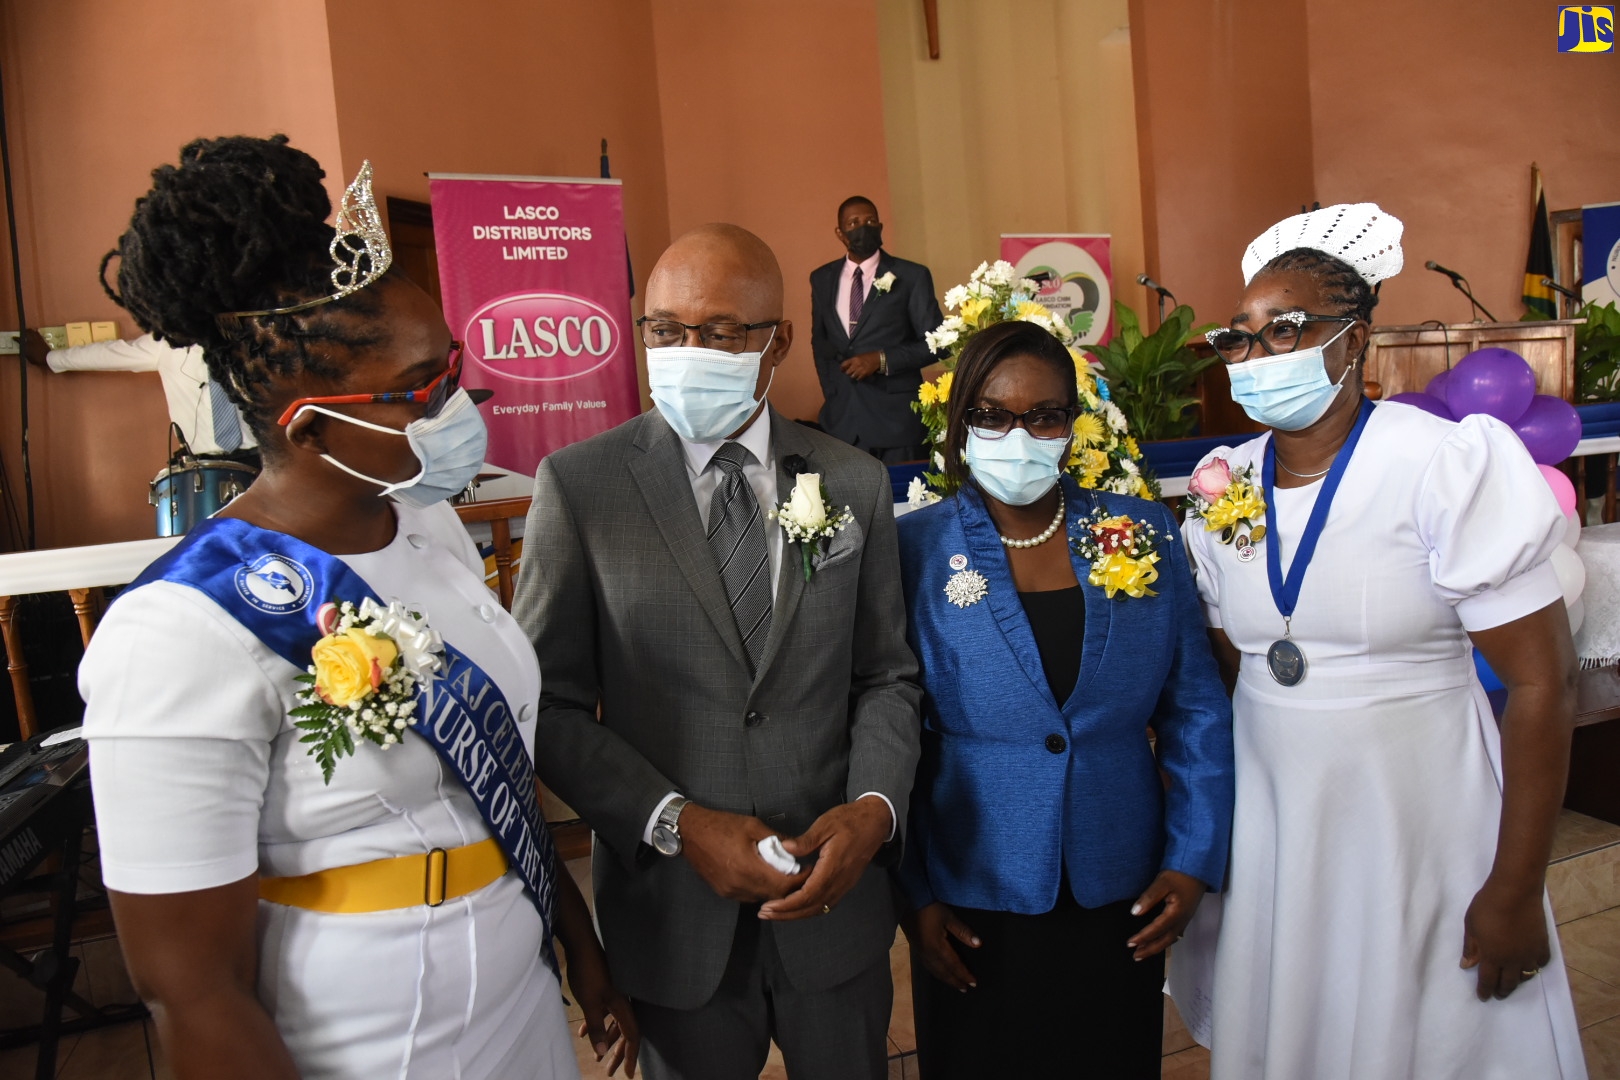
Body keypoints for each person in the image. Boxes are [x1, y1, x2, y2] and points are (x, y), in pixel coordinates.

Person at [77, 135, 636, 1080]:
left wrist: (577, 947)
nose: (460, 403)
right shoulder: (177, 633)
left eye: (451, 366)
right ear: (309, 424)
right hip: (370, 1032)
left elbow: (491, 768)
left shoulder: (430, 530)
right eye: (424, 389)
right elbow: (190, 990)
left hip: (517, 986)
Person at [1168, 203, 1588, 1079]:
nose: (1257, 355)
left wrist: (1514, 889)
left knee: (1426, 1028)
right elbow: (1228, 671)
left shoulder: (1440, 463)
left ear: (1355, 340)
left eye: (1285, 328)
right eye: (1239, 338)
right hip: (1282, 820)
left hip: (1420, 818)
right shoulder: (1222, 487)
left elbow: (1545, 684)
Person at [513, 222, 922, 1080]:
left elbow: (885, 674)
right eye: (665, 329)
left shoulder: (847, 480)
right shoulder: (582, 487)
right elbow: (546, 707)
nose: (688, 350)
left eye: (721, 331)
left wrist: (873, 809)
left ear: (777, 342)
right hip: (673, 919)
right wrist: (676, 822)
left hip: (833, 908)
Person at [894, 319, 1235, 1079]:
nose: (1019, 435)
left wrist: (1191, 858)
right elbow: (893, 729)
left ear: (1070, 425)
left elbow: (1196, 710)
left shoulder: (1137, 531)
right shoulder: (914, 550)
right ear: (961, 424)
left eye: (1044, 414)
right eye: (992, 415)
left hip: (1121, 881)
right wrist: (912, 893)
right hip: (971, 884)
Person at [809, 196, 943, 462]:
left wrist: (881, 359)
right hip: (842, 424)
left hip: (897, 423)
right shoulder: (822, 278)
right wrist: (834, 392)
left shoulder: (911, 275)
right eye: (854, 223)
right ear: (840, 232)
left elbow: (936, 342)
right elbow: (820, 341)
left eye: (870, 221)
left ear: (880, 226)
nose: (863, 227)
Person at [29, 330, 259, 461]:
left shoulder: (255, 341)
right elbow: (110, 354)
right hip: (201, 466)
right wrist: (51, 358)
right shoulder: (167, 345)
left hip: (262, 460)